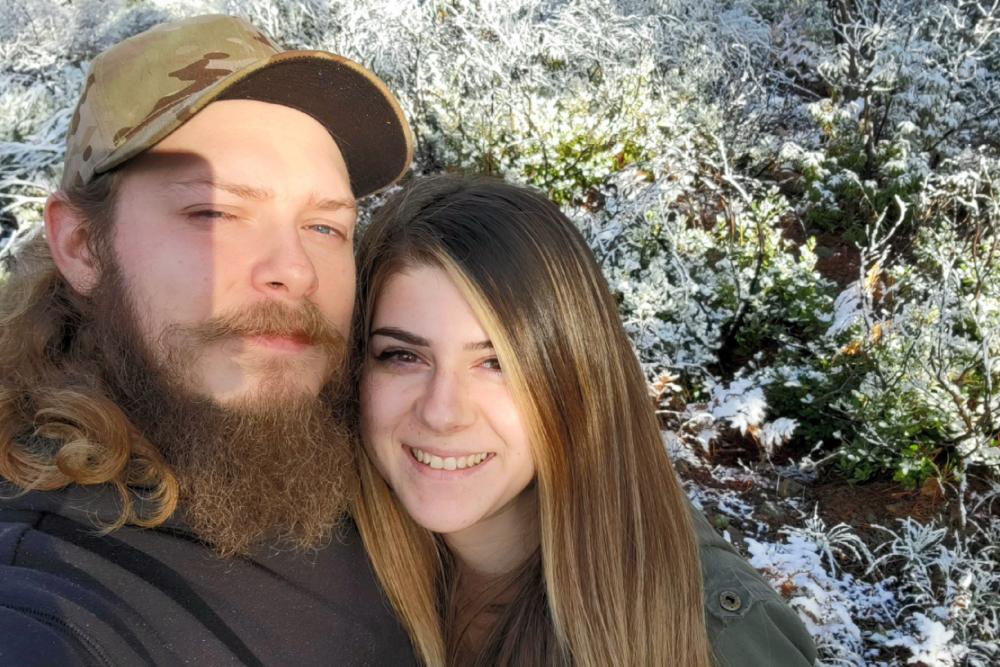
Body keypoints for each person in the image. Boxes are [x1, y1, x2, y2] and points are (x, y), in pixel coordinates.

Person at [0, 14, 418, 665]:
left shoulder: (395, 456)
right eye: (217, 212)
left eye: (325, 227)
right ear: (82, 246)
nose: (295, 271)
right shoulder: (49, 590)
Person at [352, 175, 818, 666]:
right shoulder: (327, 565)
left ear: (575, 377)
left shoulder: (708, 636)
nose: (442, 412)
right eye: (402, 355)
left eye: (498, 363)